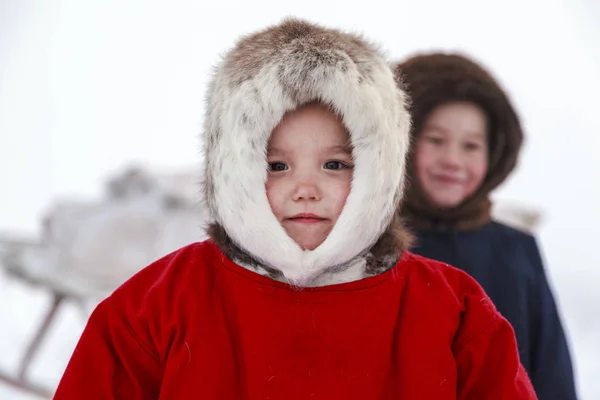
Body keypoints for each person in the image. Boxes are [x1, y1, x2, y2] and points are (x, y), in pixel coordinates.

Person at [53, 19, 536, 399]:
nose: (306, 188)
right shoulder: (158, 305)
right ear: (234, 170)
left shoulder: (454, 311)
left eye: (334, 163)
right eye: (277, 165)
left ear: (378, 169)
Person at [394, 52, 577, 399]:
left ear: (493, 154)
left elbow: (552, 369)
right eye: (435, 140)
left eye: (471, 146)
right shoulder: (372, 246)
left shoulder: (517, 249)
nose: (453, 160)